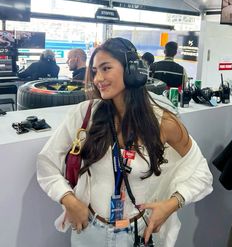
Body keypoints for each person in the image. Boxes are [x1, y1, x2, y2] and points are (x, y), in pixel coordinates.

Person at [37, 37, 213, 247]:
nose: (98, 78)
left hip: (139, 234)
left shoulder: (163, 122)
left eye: (106, 68)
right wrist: (68, 199)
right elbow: (46, 162)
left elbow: (201, 172)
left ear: (132, 71)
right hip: (89, 231)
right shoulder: (86, 114)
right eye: (94, 71)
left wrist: (171, 204)